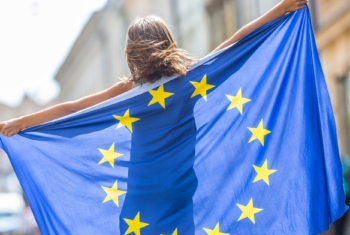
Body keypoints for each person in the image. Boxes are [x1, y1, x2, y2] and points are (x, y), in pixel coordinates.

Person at [0, 0, 307, 136]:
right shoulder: (191, 77)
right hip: (181, 182)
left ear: (130, 53)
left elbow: (71, 108)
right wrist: (280, 9)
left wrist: (21, 122)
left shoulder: (129, 90)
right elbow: (234, 42)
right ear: (168, 42)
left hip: (144, 187)